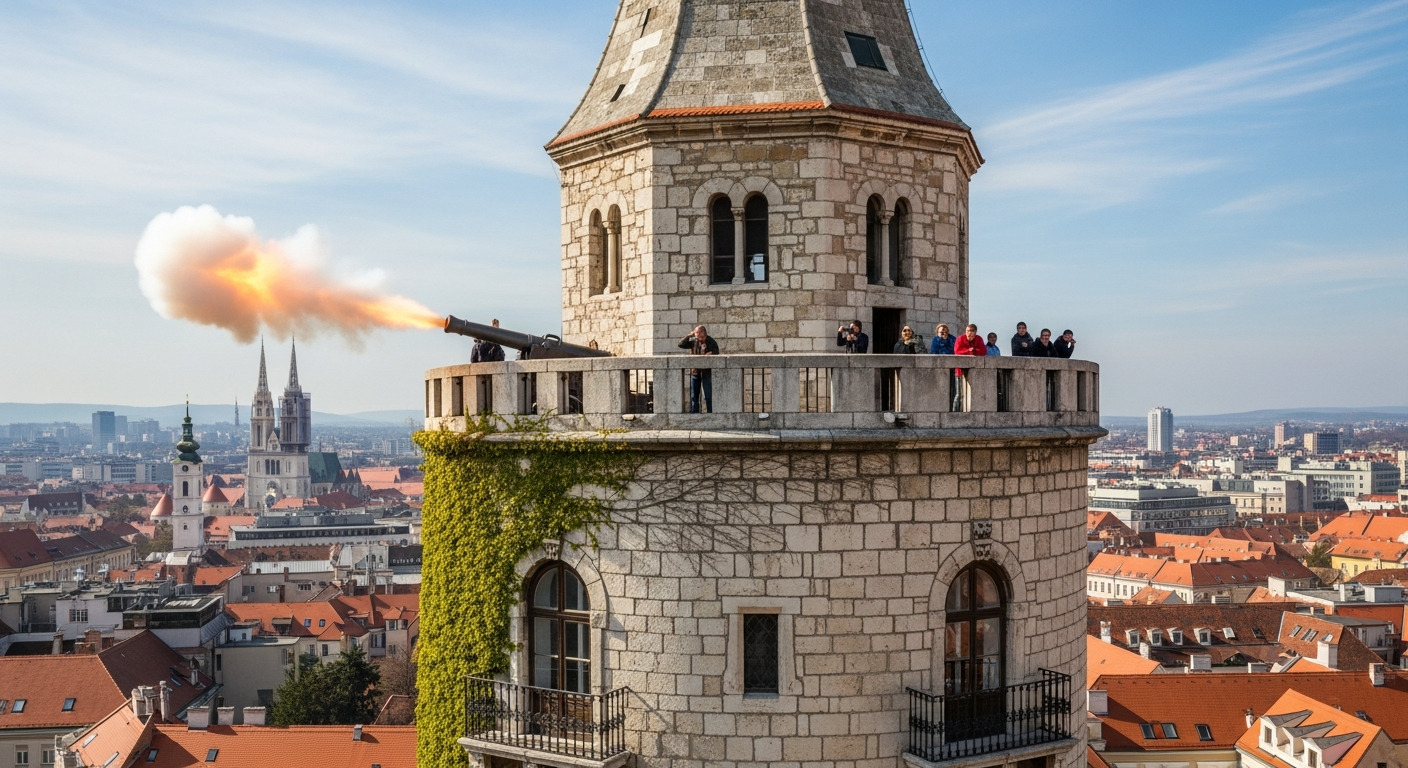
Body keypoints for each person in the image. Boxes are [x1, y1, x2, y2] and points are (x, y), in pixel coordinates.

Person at [678, 325, 719, 413]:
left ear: (704, 333)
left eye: (700, 335)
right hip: (695, 371)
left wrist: (710, 354)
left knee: (708, 395)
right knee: (694, 395)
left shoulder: (710, 341)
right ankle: (694, 413)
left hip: (706, 371)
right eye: (696, 334)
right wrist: (689, 335)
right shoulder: (693, 340)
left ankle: (710, 413)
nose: (699, 338)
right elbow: (681, 344)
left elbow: (716, 352)